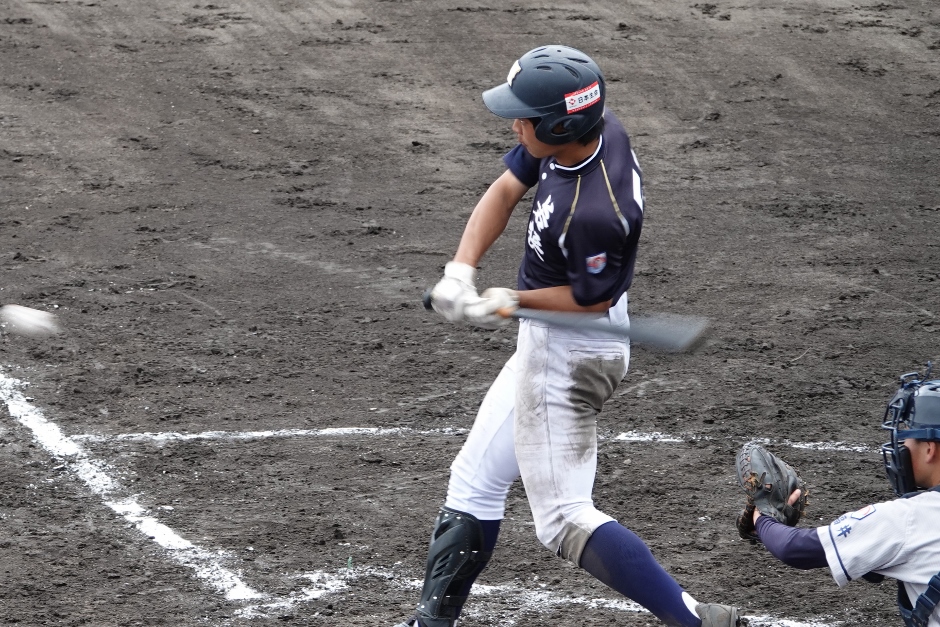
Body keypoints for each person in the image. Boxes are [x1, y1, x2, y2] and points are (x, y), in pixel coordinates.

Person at [391, 44, 742, 627]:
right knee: (475, 478)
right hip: (550, 336)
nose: (514, 125)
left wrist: (512, 300)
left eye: (524, 118)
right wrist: (460, 271)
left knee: (562, 518)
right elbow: (507, 189)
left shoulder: (597, 211)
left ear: (560, 124)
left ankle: (698, 622)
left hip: (575, 348)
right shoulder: (578, 138)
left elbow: (590, 299)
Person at [749, 362, 940, 627]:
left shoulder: (908, 519)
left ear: (930, 449)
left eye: (907, 437)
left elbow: (794, 549)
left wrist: (761, 518)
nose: (901, 446)